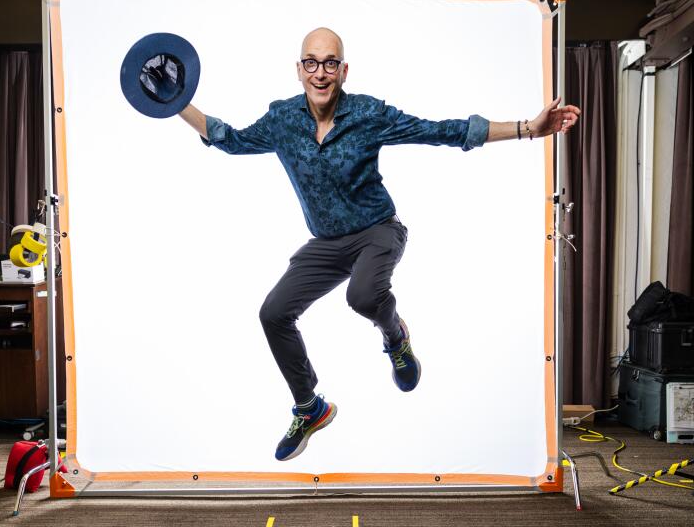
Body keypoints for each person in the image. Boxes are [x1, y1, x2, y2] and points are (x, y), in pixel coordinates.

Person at [178, 27, 580, 461]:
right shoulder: (282, 120)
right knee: (273, 313)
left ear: (343, 70)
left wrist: (528, 129)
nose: (320, 72)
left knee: (363, 295)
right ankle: (309, 407)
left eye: (330, 63)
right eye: (311, 63)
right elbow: (230, 140)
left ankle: (396, 338)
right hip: (327, 243)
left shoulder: (367, 114)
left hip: (378, 231)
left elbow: (442, 130)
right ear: (299, 70)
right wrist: (175, 102)